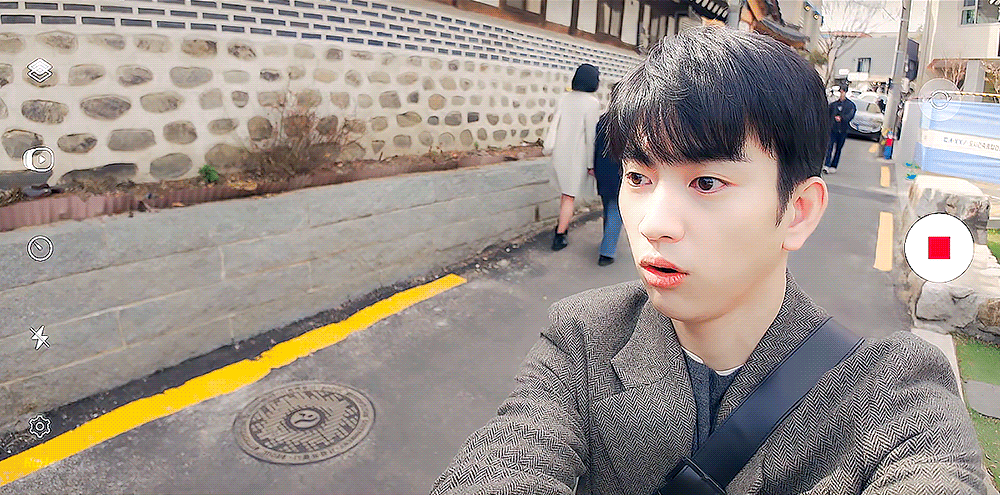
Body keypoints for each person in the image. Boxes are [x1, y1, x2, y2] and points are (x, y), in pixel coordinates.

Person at [431, 26, 987, 495]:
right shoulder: (583, 339)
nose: (653, 224)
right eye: (638, 178)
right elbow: (508, 460)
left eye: (706, 182)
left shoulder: (895, 395)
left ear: (798, 211)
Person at [543, 63, 602, 251]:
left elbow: (555, 124)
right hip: (577, 157)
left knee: (565, 194)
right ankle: (560, 235)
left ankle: (561, 226)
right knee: (569, 196)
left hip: (560, 153)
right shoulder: (592, 103)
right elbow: (591, 136)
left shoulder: (563, 98)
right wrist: (591, 163)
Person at [593, 109, 623, 266]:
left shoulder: (603, 120)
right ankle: (607, 251)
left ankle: (607, 240)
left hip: (603, 170)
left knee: (608, 207)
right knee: (616, 210)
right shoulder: (630, 118)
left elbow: (596, 146)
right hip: (619, 171)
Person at [823, 86, 856, 174]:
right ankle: (827, 164)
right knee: (829, 147)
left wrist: (842, 118)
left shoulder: (850, 105)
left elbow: (850, 116)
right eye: (840, 92)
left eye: (842, 92)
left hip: (843, 130)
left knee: (838, 148)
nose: (841, 94)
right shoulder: (833, 105)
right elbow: (827, 115)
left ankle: (834, 165)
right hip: (832, 129)